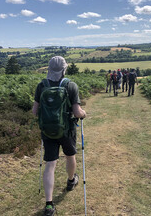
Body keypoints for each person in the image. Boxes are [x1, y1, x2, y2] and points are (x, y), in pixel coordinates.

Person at [32, 56, 86, 216]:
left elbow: (34, 111)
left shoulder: (41, 86)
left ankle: (49, 205)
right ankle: (71, 181)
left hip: (48, 132)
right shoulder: (71, 85)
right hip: (67, 130)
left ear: (49, 68)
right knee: (70, 156)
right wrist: (83, 114)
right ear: (64, 69)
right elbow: (77, 112)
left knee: (50, 164)